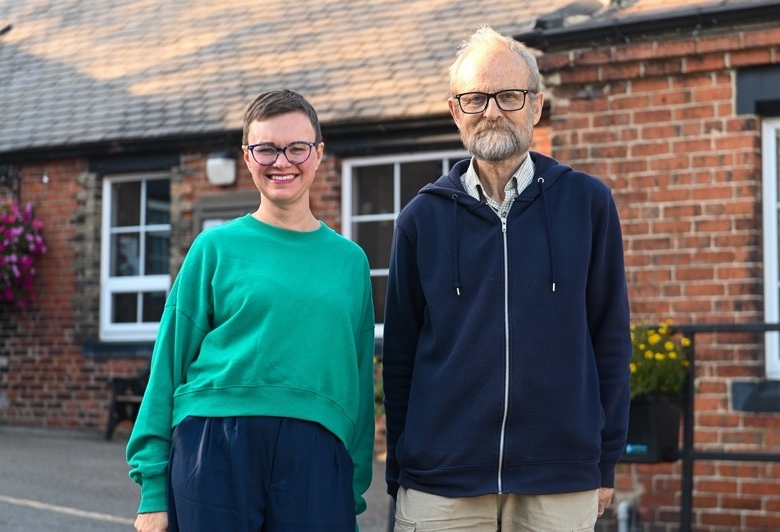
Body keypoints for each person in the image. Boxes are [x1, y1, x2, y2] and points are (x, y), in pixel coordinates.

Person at [382, 25, 631, 531]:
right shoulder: (420, 219)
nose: (492, 110)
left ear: (536, 106)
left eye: (509, 96)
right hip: (440, 483)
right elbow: (401, 355)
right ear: (455, 112)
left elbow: (610, 338)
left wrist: (603, 461)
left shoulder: (587, 204)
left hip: (560, 478)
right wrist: (402, 467)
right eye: (475, 98)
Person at [126, 89, 376, 532]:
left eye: (297, 148)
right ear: (248, 156)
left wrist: (351, 488)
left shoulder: (350, 261)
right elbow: (168, 363)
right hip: (215, 444)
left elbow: (357, 377)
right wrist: (152, 491)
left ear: (318, 154)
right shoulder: (214, 248)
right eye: (266, 149)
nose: (282, 162)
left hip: (317, 456)